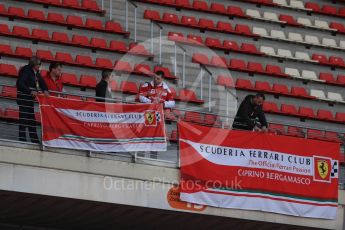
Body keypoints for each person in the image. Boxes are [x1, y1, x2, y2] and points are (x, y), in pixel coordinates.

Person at [16, 56, 49, 143]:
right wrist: (30, 91)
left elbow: (42, 82)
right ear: (34, 64)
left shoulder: (36, 72)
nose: (40, 66)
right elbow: (20, 83)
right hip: (24, 98)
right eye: (39, 64)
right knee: (24, 119)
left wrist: (45, 90)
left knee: (31, 120)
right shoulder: (26, 70)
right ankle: (22, 140)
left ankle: (34, 140)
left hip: (29, 99)